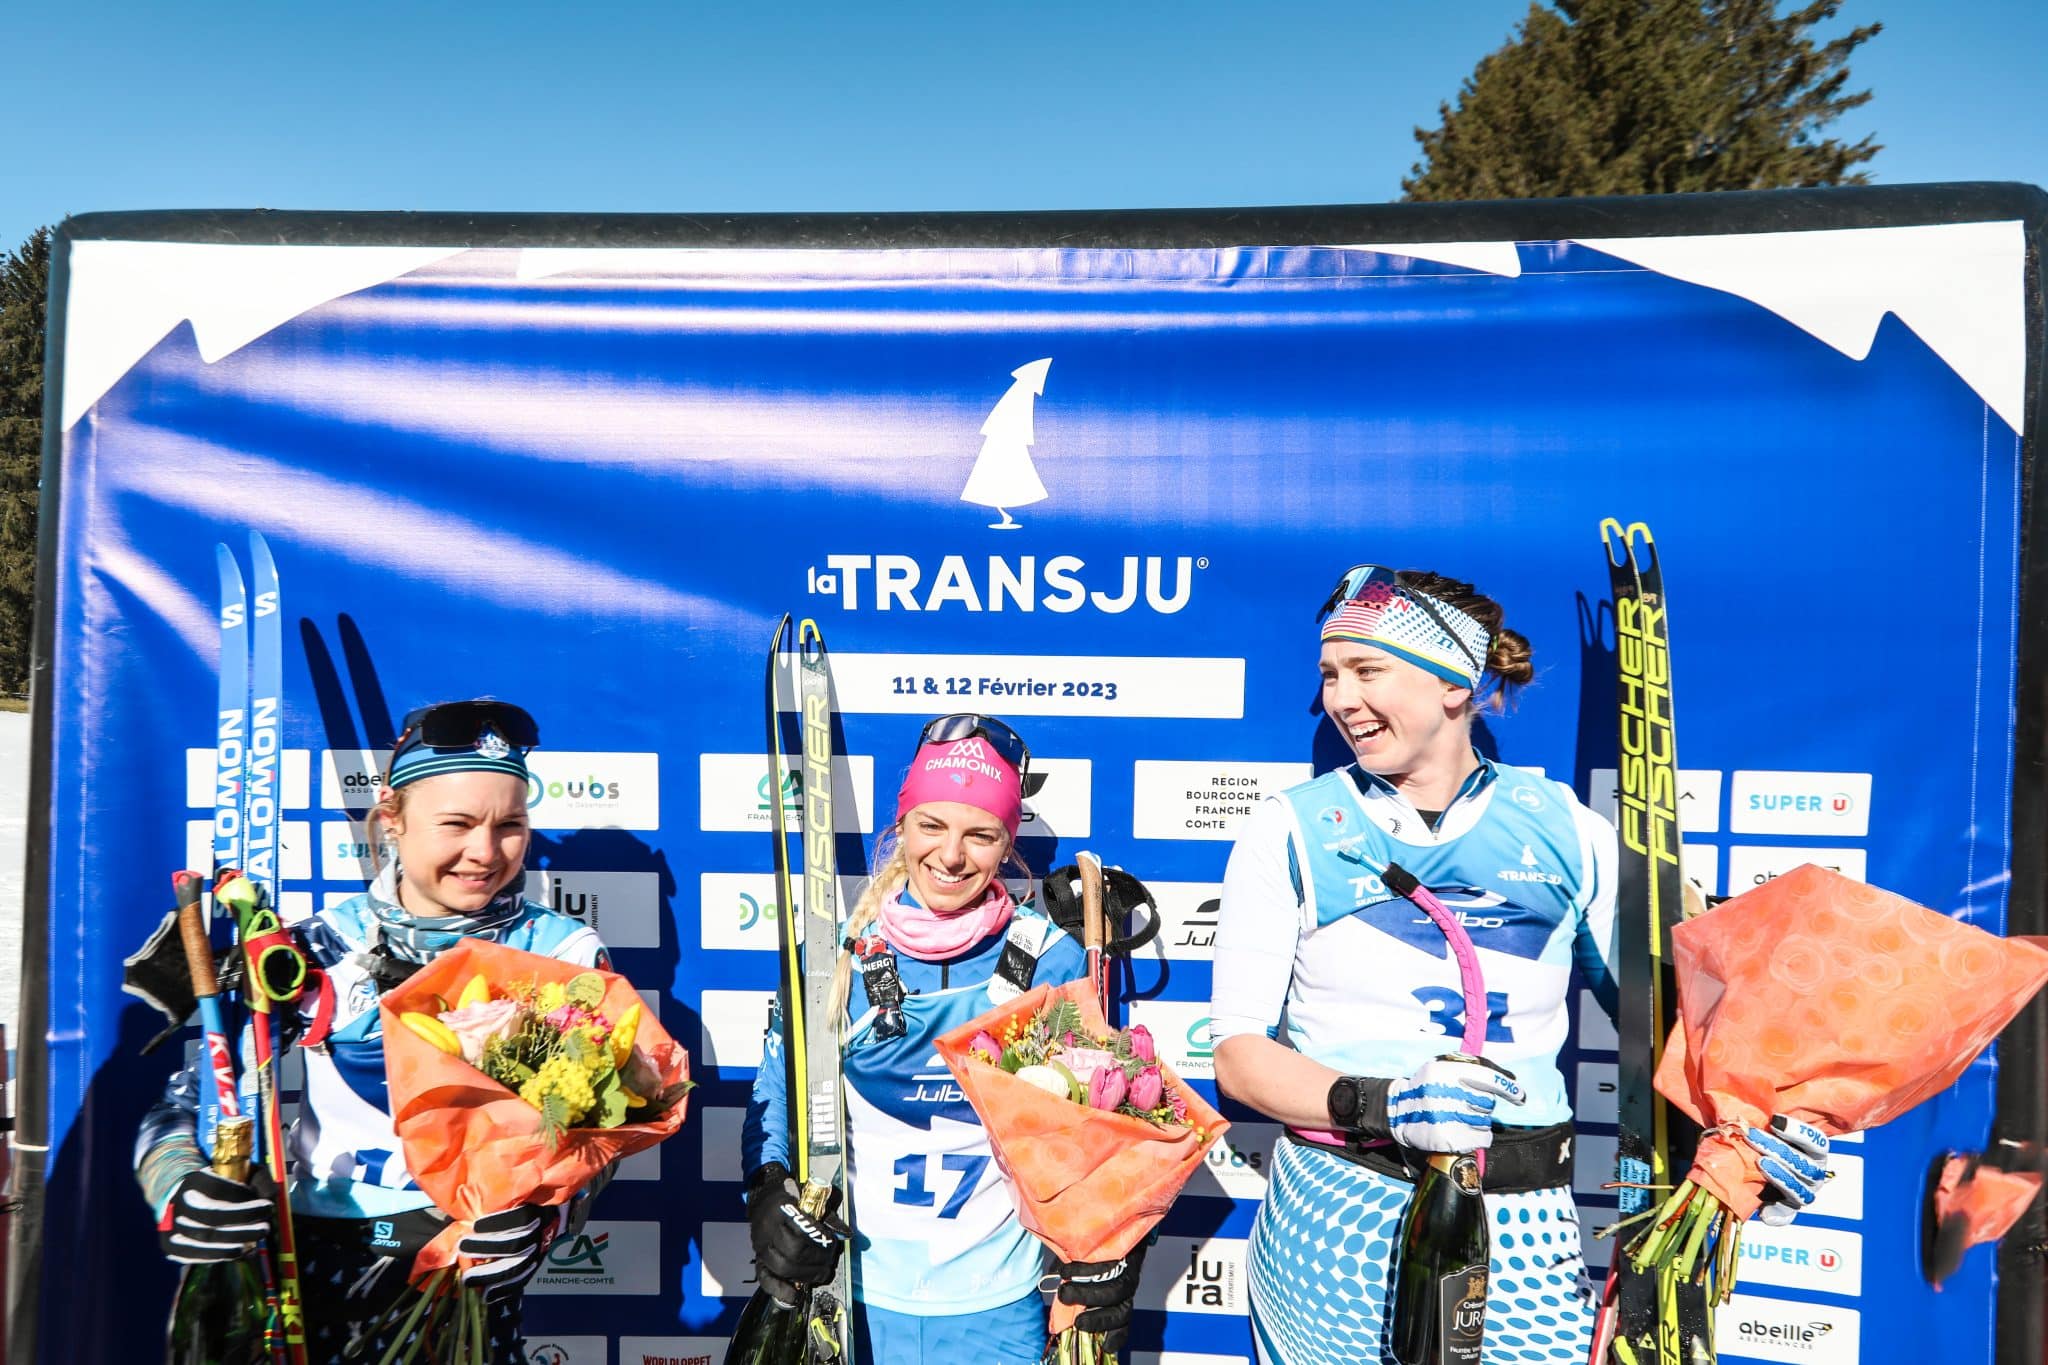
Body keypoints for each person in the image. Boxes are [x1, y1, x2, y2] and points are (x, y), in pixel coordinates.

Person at [1209, 565, 1829, 1365]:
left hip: (1524, 1223)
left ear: (1454, 684)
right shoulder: (1290, 827)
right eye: (1330, 674)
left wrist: (1752, 1135)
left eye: (1368, 670)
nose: (1341, 699)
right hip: (1338, 1213)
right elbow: (1239, 1058)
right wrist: (1386, 1101)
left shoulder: (1564, 830)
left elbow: (1678, 1025)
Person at [136, 699, 610, 1363]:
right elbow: (189, 1103)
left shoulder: (562, 953)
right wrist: (182, 1184)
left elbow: (598, 1137)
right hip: (315, 1272)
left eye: (510, 824)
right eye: (458, 823)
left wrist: (547, 1214)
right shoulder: (312, 948)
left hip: (466, 1275)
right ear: (393, 820)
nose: (485, 850)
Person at [742, 714, 1146, 1364]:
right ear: (901, 825)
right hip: (860, 1301)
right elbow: (776, 1098)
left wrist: (1117, 1245)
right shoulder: (831, 955)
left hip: (997, 1306)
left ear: (1007, 842)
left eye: (980, 834)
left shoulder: (1049, 960)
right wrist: (767, 1189)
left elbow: (1092, 1135)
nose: (952, 856)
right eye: (931, 826)